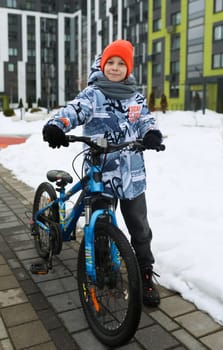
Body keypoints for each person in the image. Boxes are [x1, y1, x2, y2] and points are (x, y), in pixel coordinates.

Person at [42, 39, 163, 307]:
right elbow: (72, 111)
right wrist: (56, 125)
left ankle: (144, 272)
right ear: (102, 65)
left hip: (132, 174)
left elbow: (145, 119)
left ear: (128, 68)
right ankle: (102, 268)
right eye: (111, 62)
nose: (116, 67)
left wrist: (151, 133)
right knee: (97, 225)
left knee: (140, 229)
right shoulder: (93, 94)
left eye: (122, 63)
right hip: (101, 173)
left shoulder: (135, 96)